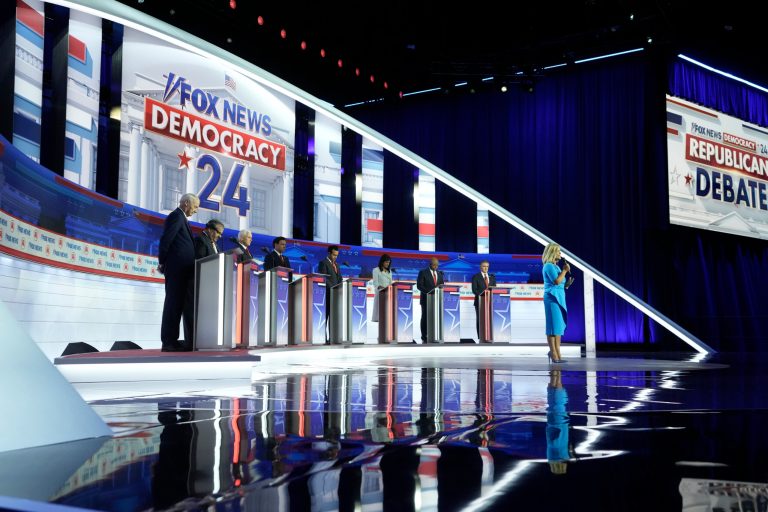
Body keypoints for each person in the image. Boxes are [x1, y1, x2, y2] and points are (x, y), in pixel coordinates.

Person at [158, 193, 200, 352]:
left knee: (177, 305)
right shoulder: (176, 216)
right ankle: (168, 342)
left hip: (183, 271)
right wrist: (162, 261)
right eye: (195, 207)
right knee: (172, 304)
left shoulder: (182, 219)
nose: (196, 211)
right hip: (176, 269)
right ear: (187, 203)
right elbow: (166, 239)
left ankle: (172, 340)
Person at [542, 242, 570, 363]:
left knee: (558, 327)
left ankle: (557, 352)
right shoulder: (548, 266)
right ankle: (553, 353)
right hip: (552, 298)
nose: (560, 254)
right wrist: (564, 271)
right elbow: (556, 282)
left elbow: (561, 284)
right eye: (558, 251)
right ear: (552, 252)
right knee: (552, 327)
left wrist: (567, 283)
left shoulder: (557, 267)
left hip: (559, 297)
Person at [546, 369, 571, 475]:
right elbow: (553, 440)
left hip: (559, 420)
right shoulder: (552, 454)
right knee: (553, 392)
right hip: (554, 419)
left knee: (558, 391)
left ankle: (557, 369)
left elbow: (555, 440)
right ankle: (554, 369)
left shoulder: (561, 454)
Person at [317, 245, 343, 342]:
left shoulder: (337, 265)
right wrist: (332, 287)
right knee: (325, 317)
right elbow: (323, 278)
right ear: (329, 253)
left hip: (336, 294)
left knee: (333, 317)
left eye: (337, 255)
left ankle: (333, 337)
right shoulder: (323, 263)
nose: (335, 257)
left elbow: (339, 277)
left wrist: (339, 286)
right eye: (334, 255)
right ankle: (323, 338)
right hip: (327, 294)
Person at [416, 257, 444, 342]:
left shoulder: (439, 274)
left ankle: (435, 335)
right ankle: (424, 336)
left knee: (436, 317)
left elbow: (441, 285)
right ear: (430, 264)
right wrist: (428, 292)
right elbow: (419, 285)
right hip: (426, 299)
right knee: (425, 317)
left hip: (437, 300)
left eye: (437, 265)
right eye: (434, 265)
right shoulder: (423, 272)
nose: (436, 267)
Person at [471, 260, 496, 340]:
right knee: (480, 320)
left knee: (490, 320)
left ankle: (489, 336)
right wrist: (483, 294)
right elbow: (474, 290)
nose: (486, 268)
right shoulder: (476, 277)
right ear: (480, 267)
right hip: (480, 302)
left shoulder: (492, 277)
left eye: (487, 266)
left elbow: (494, 289)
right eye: (484, 266)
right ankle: (480, 338)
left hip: (490, 302)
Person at [371, 254, 393, 322]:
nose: (387, 264)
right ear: (382, 261)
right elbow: (375, 283)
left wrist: (390, 289)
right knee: (379, 310)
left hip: (388, 293)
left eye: (388, 262)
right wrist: (382, 288)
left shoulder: (389, 271)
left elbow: (390, 282)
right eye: (386, 262)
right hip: (380, 293)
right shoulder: (376, 270)